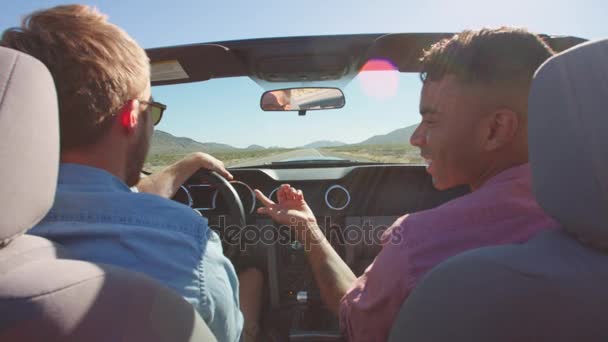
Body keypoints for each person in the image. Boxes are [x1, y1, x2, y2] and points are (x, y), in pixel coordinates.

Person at [255, 27, 560, 342]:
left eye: (431, 121)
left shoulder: (419, 244)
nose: (415, 139)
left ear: (495, 129)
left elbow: (355, 322)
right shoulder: (589, 218)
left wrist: (309, 230)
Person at [1, 5, 261, 342]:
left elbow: (112, 201)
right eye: (151, 109)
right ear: (131, 117)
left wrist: (188, 163)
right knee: (252, 284)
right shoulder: (187, 244)